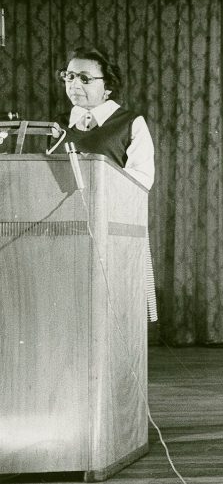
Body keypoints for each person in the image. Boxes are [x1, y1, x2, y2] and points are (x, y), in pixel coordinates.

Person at [60, 46, 158, 321]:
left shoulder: (130, 123)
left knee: (113, 313)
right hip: (68, 233)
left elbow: (141, 180)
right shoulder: (58, 125)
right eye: (68, 76)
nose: (74, 84)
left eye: (84, 78)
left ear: (108, 87)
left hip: (114, 232)